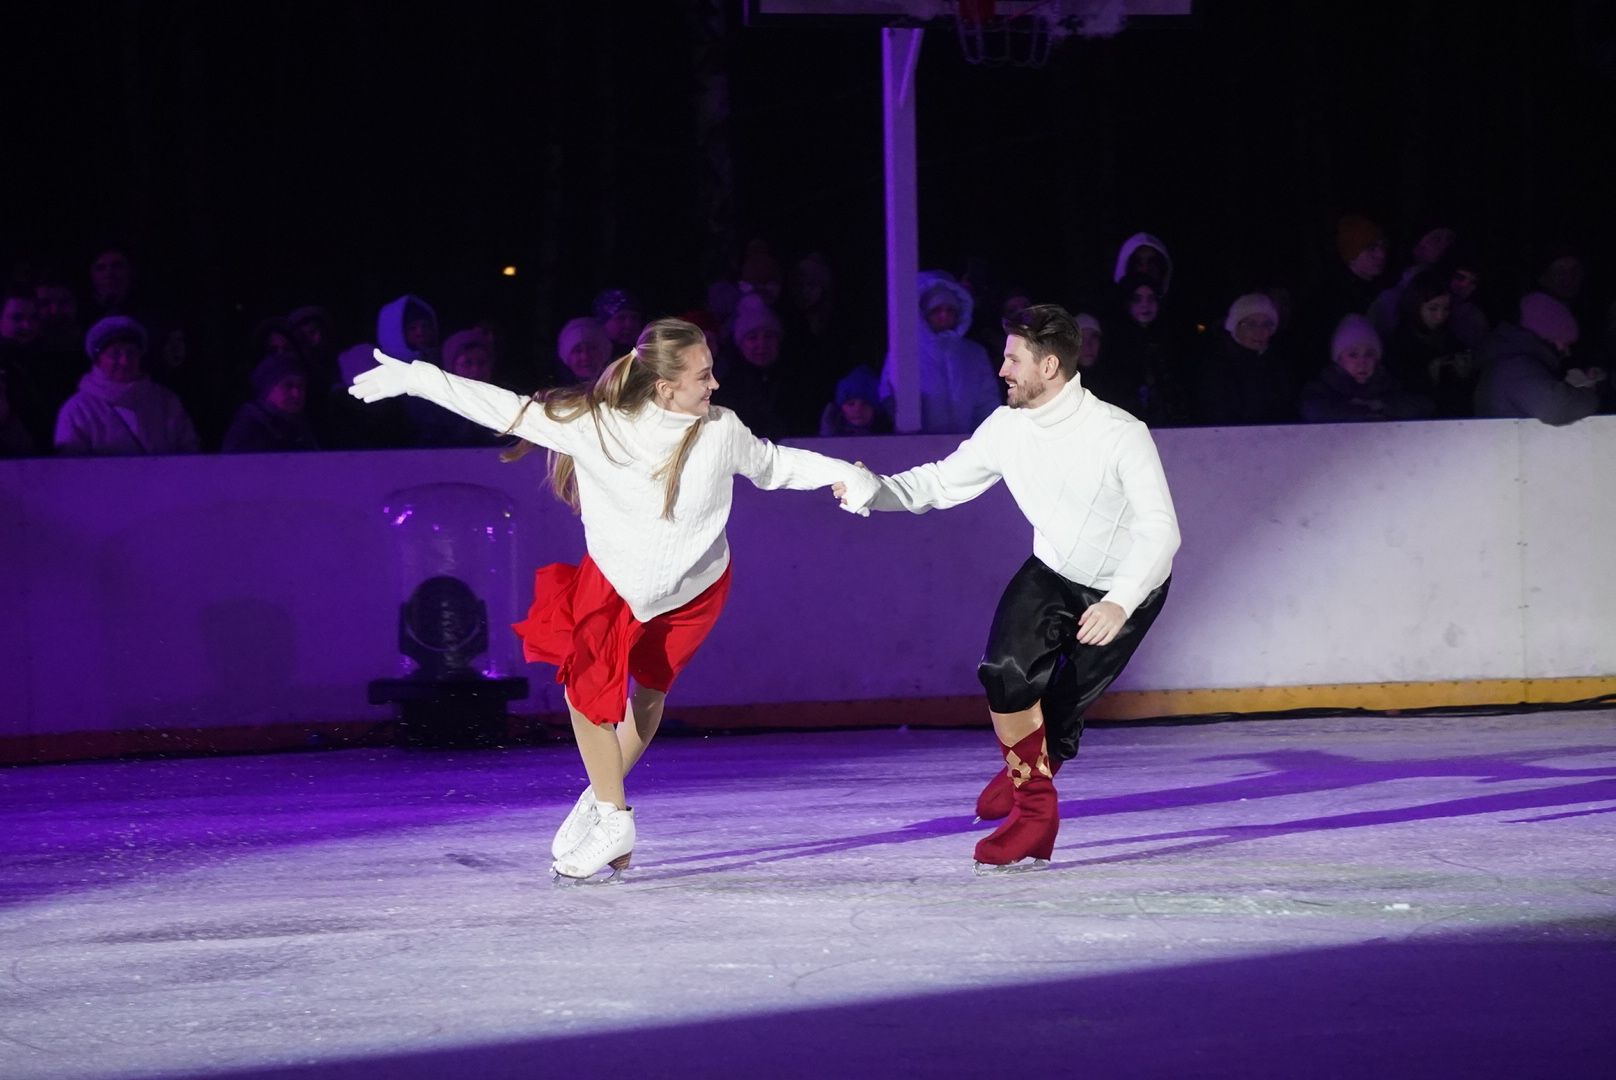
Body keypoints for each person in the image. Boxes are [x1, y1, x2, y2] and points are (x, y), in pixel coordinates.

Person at [349, 317, 878, 881]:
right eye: (704, 376)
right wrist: (421, 379)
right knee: (587, 692)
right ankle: (612, 812)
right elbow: (509, 410)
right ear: (664, 386)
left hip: (695, 590)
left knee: (648, 695)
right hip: (617, 583)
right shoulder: (596, 425)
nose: (715, 385)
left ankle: (603, 798)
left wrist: (843, 472)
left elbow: (774, 465)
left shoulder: (722, 430)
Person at [836, 304, 1180, 871]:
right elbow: (942, 482)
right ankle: (1034, 810)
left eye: (1012, 358)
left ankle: (1031, 765)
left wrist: (1120, 600)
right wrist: (874, 490)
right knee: (1004, 672)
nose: (1001, 369)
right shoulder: (1007, 427)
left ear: (1049, 366)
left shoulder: (1121, 433)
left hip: (1128, 588)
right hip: (1052, 571)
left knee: (1061, 717)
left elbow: (1161, 529)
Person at [54, 316, 200, 456]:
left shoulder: (166, 402)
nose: (124, 361)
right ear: (98, 359)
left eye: (131, 353)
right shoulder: (79, 409)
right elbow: (71, 465)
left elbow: (188, 450)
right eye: (115, 354)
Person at [1300, 315, 1432, 423]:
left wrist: (1382, 405)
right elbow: (1312, 411)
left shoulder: (1389, 384)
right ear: (1339, 359)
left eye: (1369, 354)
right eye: (1353, 355)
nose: (1362, 363)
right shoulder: (1323, 388)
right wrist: (1358, 409)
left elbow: (1423, 406)